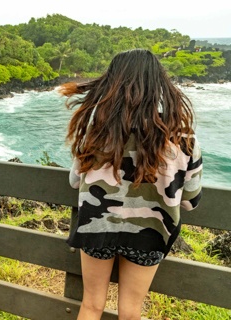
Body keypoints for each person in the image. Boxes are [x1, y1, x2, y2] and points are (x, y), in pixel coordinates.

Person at [58, 49, 203, 320]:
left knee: (90, 305)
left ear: (112, 83)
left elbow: (75, 180)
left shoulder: (99, 131)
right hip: (151, 233)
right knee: (130, 311)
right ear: (159, 84)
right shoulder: (183, 137)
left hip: (97, 227)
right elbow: (190, 201)